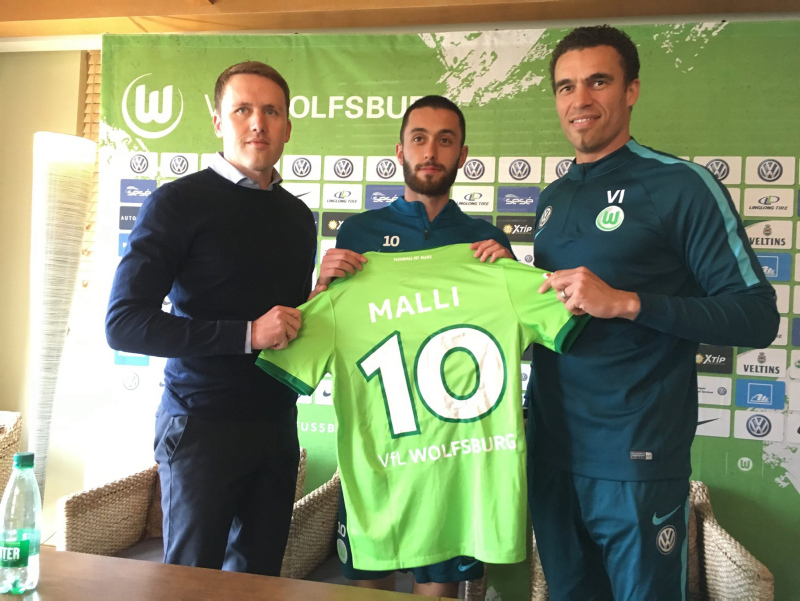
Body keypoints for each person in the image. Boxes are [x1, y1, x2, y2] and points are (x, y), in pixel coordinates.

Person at [526, 26, 779, 600]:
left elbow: (756, 316)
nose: (580, 99)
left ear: (632, 90)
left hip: (636, 455)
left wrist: (627, 302)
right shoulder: (552, 199)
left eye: (598, 82)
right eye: (566, 86)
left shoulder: (680, 186)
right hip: (552, 452)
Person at [105, 62, 317, 575]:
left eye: (271, 112)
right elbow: (124, 323)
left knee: (259, 581)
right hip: (200, 425)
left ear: (288, 127)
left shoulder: (297, 217)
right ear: (219, 121)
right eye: (243, 109)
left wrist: (325, 295)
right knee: (189, 583)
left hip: (276, 425)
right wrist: (247, 334)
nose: (258, 123)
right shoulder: (176, 203)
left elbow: (285, 320)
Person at [314, 95, 514, 598]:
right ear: (399, 150)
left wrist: (509, 275)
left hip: (452, 466)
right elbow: (326, 326)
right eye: (419, 138)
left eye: (445, 140)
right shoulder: (359, 232)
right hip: (377, 459)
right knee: (368, 590)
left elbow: (511, 334)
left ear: (462, 155)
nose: (431, 151)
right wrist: (321, 289)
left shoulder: (484, 241)